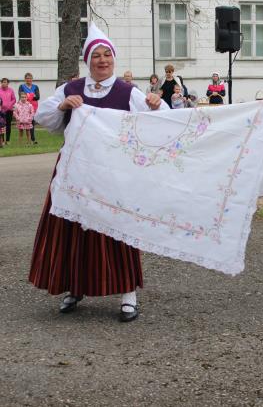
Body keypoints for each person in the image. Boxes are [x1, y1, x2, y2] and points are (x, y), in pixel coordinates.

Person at [28, 23, 168, 323]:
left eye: (107, 55)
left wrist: (156, 105)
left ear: (113, 59)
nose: (102, 61)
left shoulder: (127, 91)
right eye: (96, 56)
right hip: (73, 174)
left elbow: (161, 123)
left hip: (111, 176)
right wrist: (64, 106)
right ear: (88, 60)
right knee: (72, 233)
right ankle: (74, 288)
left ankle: (128, 294)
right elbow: (45, 117)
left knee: (116, 232)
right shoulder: (72, 88)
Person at [19, 73, 40, 144]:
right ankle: (23, 140)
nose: (29, 79)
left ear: (32, 79)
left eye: (30, 78)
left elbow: (37, 97)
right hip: (24, 107)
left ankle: (33, 139)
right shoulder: (21, 86)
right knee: (23, 124)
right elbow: (21, 96)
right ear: (25, 79)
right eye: (27, 78)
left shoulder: (35, 87)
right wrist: (32, 95)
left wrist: (28, 95)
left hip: (33, 107)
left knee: (32, 122)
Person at [0, 78, 16, 144]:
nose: (4, 83)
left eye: (5, 82)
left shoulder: (11, 90)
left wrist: (10, 104)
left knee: (8, 125)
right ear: (1, 83)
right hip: (1, 111)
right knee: (1, 125)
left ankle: (8, 140)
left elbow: (14, 99)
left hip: (9, 110)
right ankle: (2, 140)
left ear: (7, 83)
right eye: (3, 82)